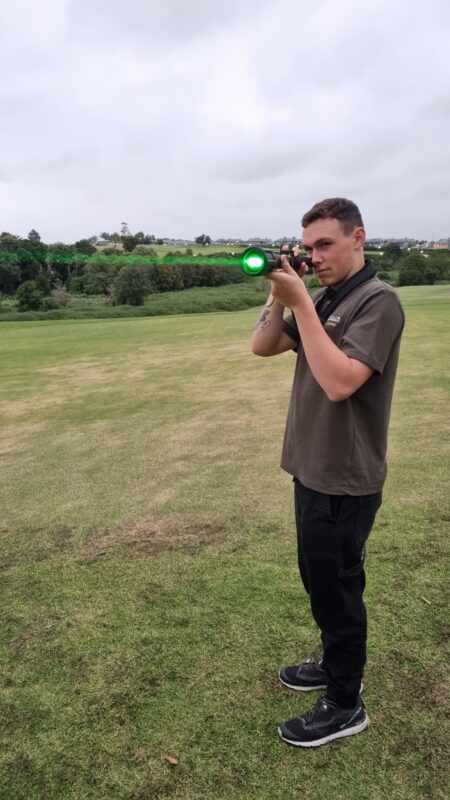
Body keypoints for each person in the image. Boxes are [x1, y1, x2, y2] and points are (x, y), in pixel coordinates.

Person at [250, 197, 404, 748]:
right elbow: (263, 345)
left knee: (339, 591)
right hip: (310, 468)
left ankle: (345, 702)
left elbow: (341, 382)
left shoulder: (378, 302)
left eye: (325, 245)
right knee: (319, 583)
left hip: (346, 476)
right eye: (308, 247)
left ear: (358, 237)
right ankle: (332, 663)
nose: (314, 256)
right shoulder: (322, 296)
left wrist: (306, 309)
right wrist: (279, 292)